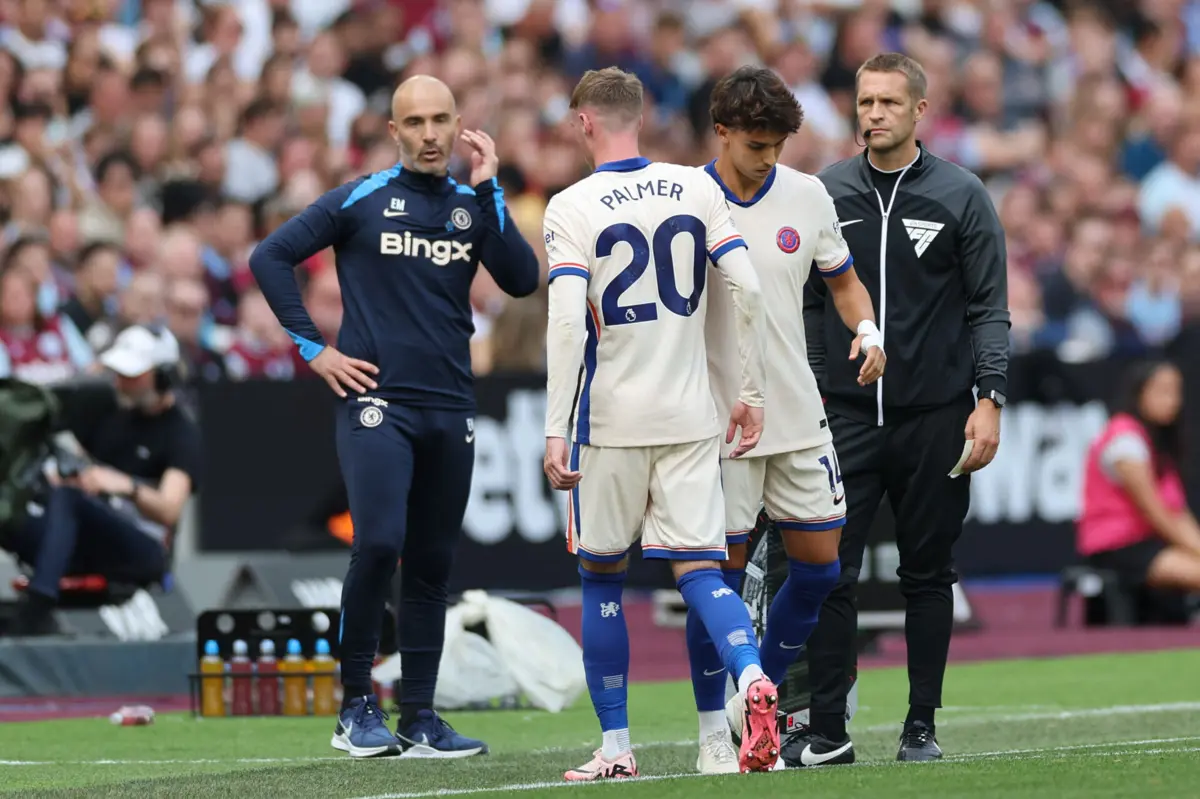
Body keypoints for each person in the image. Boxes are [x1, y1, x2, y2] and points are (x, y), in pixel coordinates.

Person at [249, 75, 539, 759]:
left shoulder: (473, 206)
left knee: (433, 564)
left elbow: (523, 279)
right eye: (417, 122)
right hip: (377, 402)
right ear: (394, 131)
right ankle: (354, 706)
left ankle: (420, 716)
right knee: (379, 543)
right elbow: (270, 256)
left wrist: (492, 185)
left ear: (459, 123)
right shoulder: (361, 198)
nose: (431, 134)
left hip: (451, 404)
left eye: (442, 119)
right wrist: (314, 349)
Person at [541, 66, 779, 781]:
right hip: (689, 414)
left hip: (610, 419)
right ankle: (751, 676)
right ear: (638, 117)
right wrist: (751, 389)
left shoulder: (571, 205)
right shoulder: (695, 185)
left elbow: (563, 321)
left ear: (585, 121)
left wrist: (558, 425)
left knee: (602, 579)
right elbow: (747, 283)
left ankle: (616, 748)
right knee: (703, 570)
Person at [797, 53, 1010, 766]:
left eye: (889, 101)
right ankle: (829, 727)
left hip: (934, 417)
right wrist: (819, 387)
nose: (874, 113)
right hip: (847, 416)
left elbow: (989, 309)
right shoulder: (824, 192)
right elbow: (804, 300)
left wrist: (989, 398)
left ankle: (921, 724)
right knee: (827, 569)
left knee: (928, 571)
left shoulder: (962, 195)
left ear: (921, 110)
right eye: (865, 101)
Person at [688, 66, 885, 767]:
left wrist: (868, 332)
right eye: (756, 145)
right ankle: (715, 725)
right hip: (720, 424)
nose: (769, 157)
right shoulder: (686, 199)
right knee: (717, 573)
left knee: (819, 567)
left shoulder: (807, 195)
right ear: (723, 131)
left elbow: (845, 281)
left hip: (800, 415)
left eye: (777, 145)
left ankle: (757, 691)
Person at [5, 324, 199, 636]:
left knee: (69, 500)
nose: (121, 382)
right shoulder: (111, 414)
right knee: (9, 512)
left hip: (141, 549)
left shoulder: (180, 433)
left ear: (163, 377)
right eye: (119, 373)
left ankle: (38, 605)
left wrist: (126, 486)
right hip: (89, 537)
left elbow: (170, 509)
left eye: (132, 375)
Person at [1079, 360, 1200, 594]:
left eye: (1176, 391)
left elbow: (1178, 512)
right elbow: (1156, 513)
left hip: (1152, 542)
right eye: (1163, 391)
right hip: (1119, 548)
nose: (1172, 400)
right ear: (1140, 392)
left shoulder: (1159, 442)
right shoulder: (1125, 440)